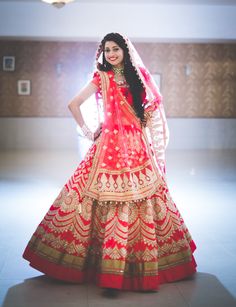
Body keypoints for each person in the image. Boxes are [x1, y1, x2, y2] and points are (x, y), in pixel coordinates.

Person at [23, 33, 197, 296]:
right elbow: (73, 104)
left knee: (144, 200)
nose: (112, 54)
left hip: (137, 150)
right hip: (108, 148)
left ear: (125, 50)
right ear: (102, 53)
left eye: (116, 49)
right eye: (107, 50)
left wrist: (142, 121)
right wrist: (88, 130)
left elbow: (150, 110)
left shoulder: (137, 77)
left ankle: (132, 267)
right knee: (95, 199)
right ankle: (103, 268)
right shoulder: (101, 77)